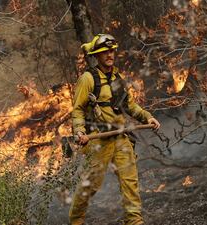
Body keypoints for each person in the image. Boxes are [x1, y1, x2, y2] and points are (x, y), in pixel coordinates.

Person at [70, 34, 160, 225]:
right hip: (98, 139)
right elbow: (77, 109)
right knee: (90, 185)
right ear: (97, 55)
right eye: (105, 52)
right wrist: (79, 131)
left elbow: (130, 106)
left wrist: (147, 117)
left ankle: (134, 221)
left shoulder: (119, 78)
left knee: (130, 183)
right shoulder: (87, 79)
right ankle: (76, 220)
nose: (110, 54)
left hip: (120, 137)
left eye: (111, 50)